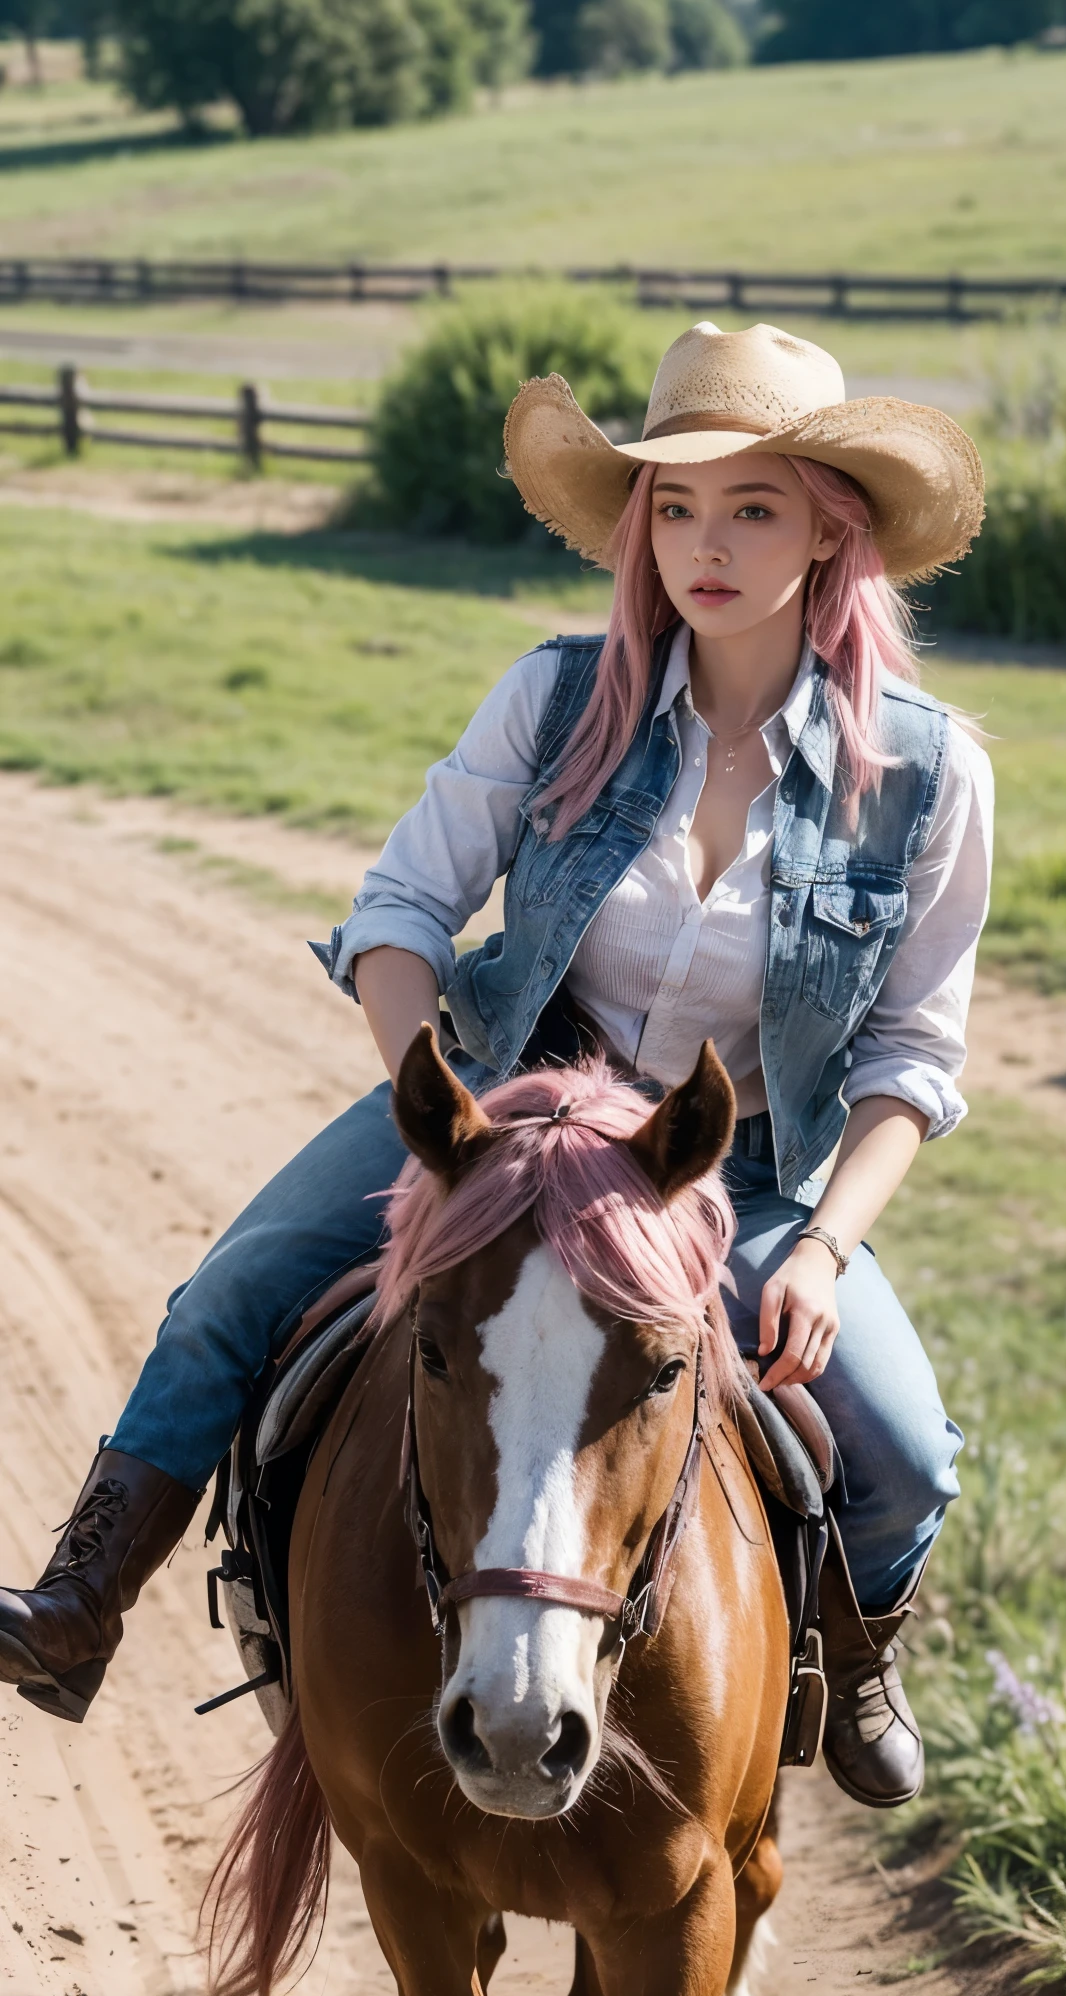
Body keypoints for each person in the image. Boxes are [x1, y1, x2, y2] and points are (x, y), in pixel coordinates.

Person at [0, 321, 991, 1809]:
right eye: (673, 506)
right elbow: (400, 909)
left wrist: (830, 1254)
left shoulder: (925, 778)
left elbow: (914, 1053)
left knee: (905, 1449)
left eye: (751, 508)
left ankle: (852, 1662)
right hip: (505, 1115)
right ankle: (83, 1603)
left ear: (832, 529)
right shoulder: (553, 701)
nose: (701, 546)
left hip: (741, 1170)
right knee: (231, 1295)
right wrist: (438, 1118)